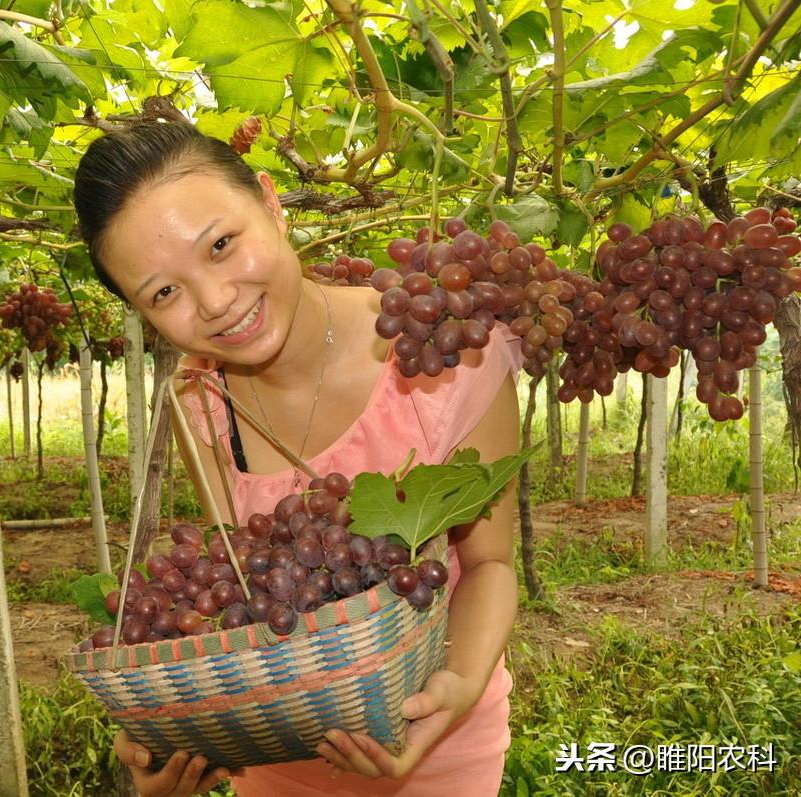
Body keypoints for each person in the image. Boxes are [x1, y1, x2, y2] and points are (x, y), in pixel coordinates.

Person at [73, 121, 522, 797]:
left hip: (438, 745)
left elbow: (489, 563)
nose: (216, 300)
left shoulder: (441, 348)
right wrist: (180, 735)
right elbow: (246, 593)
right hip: (280, 758)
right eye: (165, 293)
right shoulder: (201, 403)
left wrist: (453, 689)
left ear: (271, 202)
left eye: (221, 245)